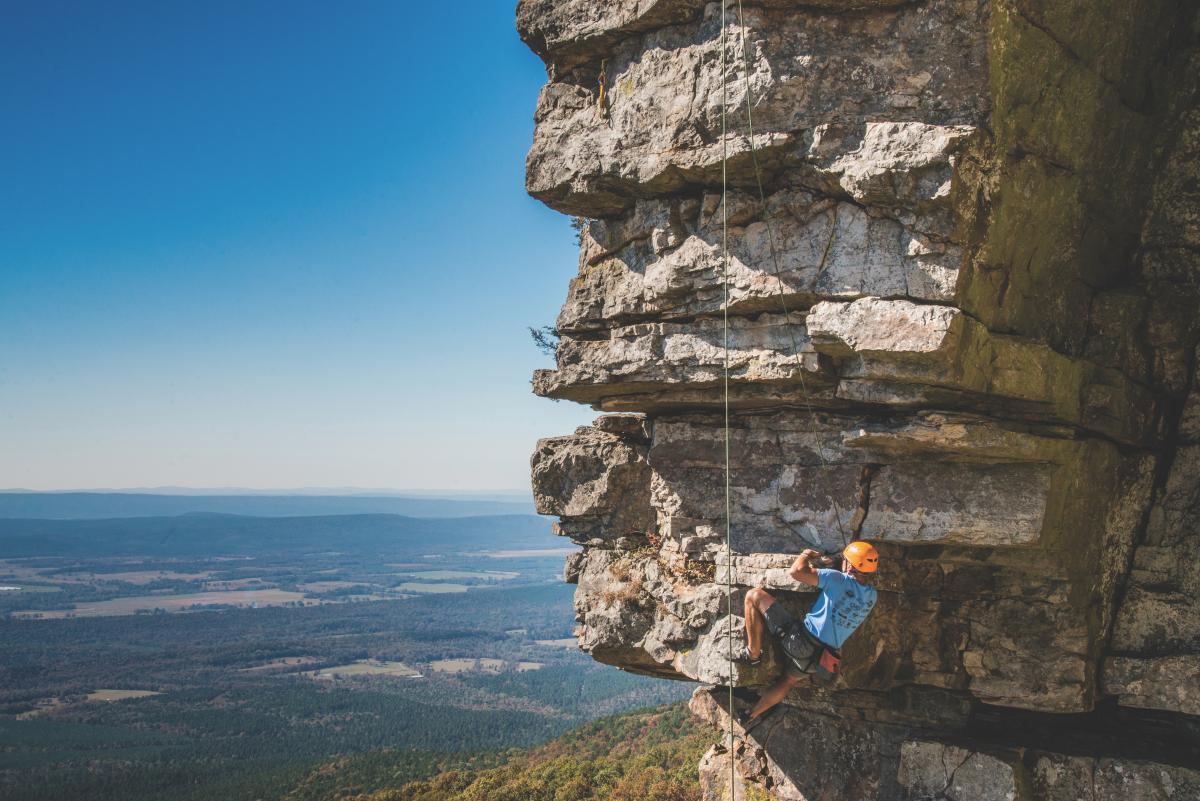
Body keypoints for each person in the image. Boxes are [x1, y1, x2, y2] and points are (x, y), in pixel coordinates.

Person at [734, 541, 879, 728]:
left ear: (850, 565)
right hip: (820, 660)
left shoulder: (837, 579)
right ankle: (750, 715)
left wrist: (805, 555)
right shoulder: (872, 596)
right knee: (788, 680)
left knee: (754, 596)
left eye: (845, 559)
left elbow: (796, 572)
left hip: (802, 642)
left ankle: (753, 654)